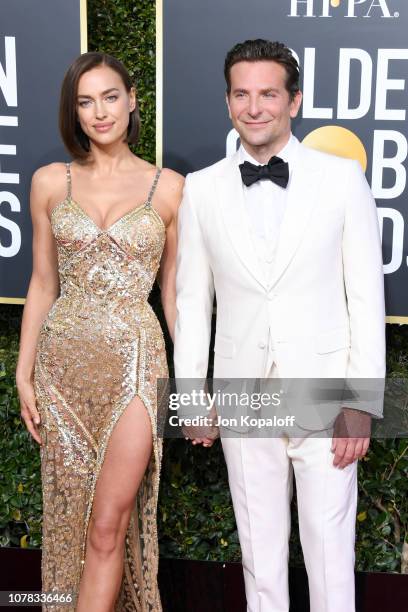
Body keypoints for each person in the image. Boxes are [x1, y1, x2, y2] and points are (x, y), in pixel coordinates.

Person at [174, 39, 385, 612]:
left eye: (269, 93)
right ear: (227, 102)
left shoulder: (343, 180)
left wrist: (361, 401)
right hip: (243, 394)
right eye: (242, 94)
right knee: (259, 559)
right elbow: (193, 302)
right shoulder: (202, 188)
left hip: (325, 393)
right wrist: (192, 396)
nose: (255, 106)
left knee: (330, 558)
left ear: (294, 101)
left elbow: (366, 295)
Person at [16, 51, 183, 612]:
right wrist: (23, 373)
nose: (99, 112)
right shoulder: (48, 182)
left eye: (110, 97)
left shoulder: (171, 189)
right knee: (69, 523)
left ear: (133, 100)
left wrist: (199, 381)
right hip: (62, 370)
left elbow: (174, 297)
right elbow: (42, 283)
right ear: (75, 111)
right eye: (86, 102)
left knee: (107, 526)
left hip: (137, 364)